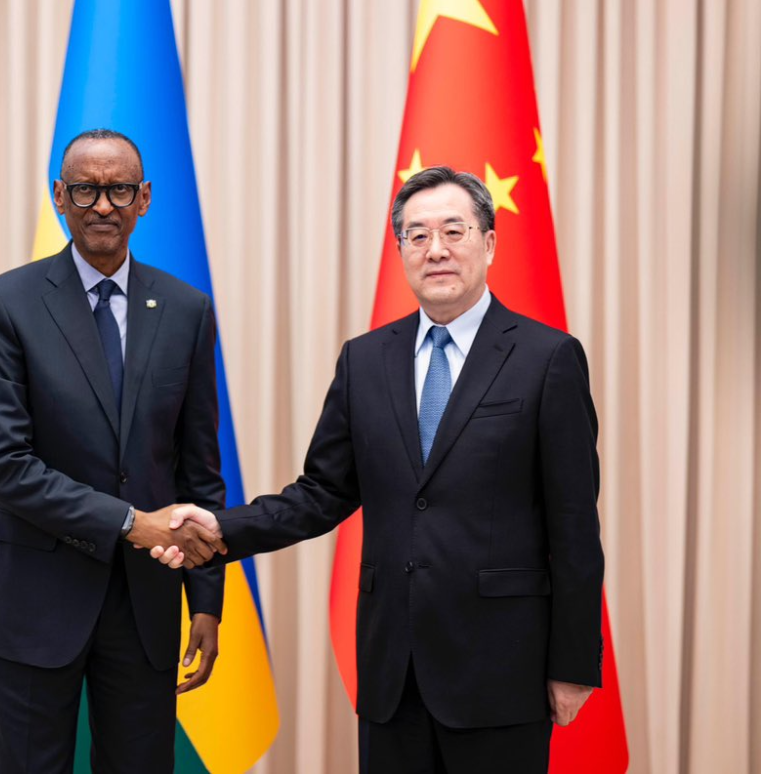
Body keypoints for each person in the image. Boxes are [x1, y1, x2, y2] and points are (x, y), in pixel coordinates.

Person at [152, 166, 604, 773]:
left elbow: (574, 526)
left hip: (502, 669)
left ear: (489, 243)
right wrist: (218, 530)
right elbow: (320, 493)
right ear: (400, 252)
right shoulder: (365, 361)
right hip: (395, 669)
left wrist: (571, 666)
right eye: (417, 236)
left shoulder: (547, 358)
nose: (436, 249)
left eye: (454, 231)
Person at [0, 129, 228, 773]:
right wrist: (131, 524)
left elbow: (198, 467)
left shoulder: (187, 310)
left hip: (146, 606)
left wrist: (209, 598)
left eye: (118, 190)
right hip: (35, 598)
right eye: (85, 188)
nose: (102, 205)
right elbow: (3, 465)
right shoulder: (7, 303)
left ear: (144, 199)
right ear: (60, 196)